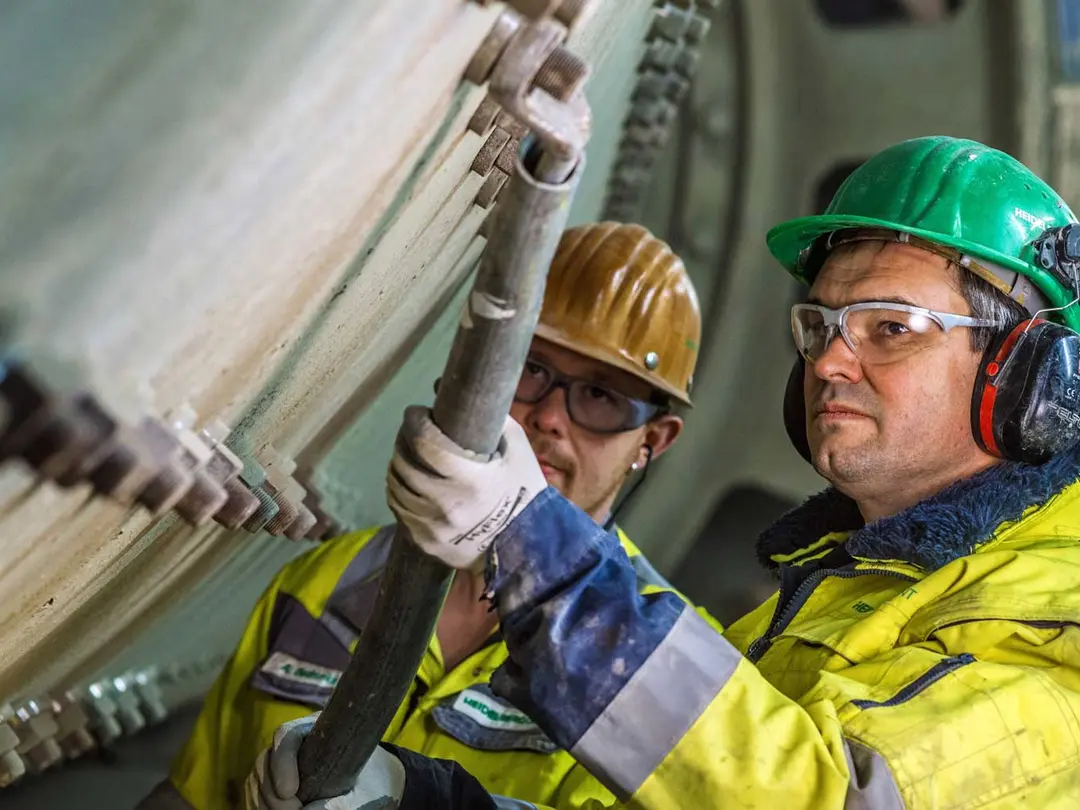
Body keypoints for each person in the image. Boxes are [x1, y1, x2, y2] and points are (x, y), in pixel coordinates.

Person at [248, 135, 1080, 809]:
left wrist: (535, 549)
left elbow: (822, 799)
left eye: (890, 328)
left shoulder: (1055, 618)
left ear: (1026, 375)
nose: (829, 362)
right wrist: (423, 802)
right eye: (821, 327)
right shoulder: (811, 611)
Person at [140, 222, 714, 810]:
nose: (548, 417)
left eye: (599, 396)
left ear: (653, 440)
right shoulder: (322, 585)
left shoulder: (661, 666)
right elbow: (193, 797)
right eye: (530, 368)